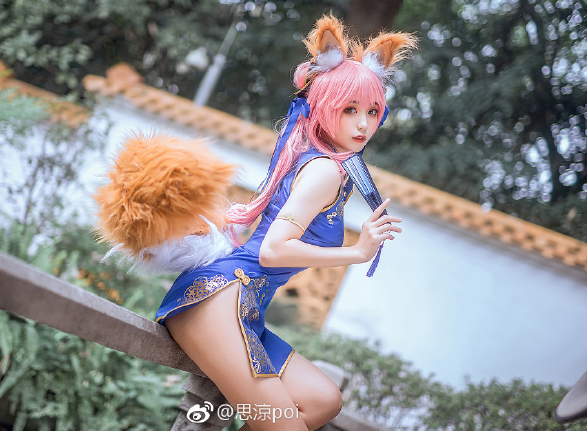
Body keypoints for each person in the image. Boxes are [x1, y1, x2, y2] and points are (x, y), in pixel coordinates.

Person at [95, 14, 415, 431]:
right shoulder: (326, 170)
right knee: (286, 426)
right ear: (324, 106)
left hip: (246, 304)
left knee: (322, 400)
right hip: (222, 297)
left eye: (373, 111)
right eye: (350, 109)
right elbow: (272, 250)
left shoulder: (330, 166)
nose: (363, 123)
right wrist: (356, 252)